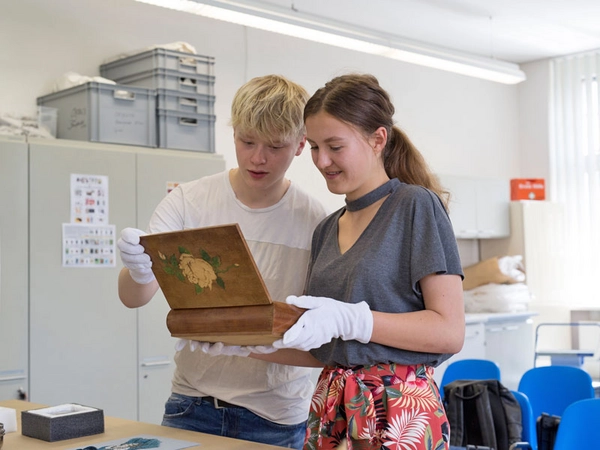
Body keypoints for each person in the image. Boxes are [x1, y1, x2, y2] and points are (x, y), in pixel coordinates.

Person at [236, 73, 465, 450]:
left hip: (397, 411)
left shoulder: (413, 206)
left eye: (335, 146)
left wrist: (353, 318)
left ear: (378, 139)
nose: (322, 161)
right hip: (333, 408)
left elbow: (449, 331)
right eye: (313, 147)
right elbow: (330, 349)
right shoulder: (326, 229)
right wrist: (252, 344)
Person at [116, 74, 328, 449]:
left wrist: (256, 345)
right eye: (247, 142)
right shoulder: (189, 200)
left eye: (275, 146)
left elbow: (322, 337)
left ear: (300, 145)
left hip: (275, 417)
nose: (257, 158)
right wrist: (138, 269)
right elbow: (134, 298)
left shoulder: (315, 222)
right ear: (233, 134)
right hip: (192, 405)